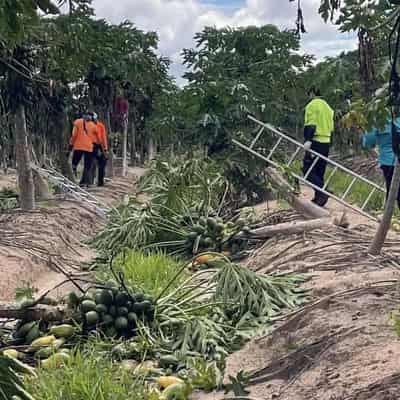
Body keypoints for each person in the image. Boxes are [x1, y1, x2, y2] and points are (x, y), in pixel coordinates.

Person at [302, 86, 334, 207]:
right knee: (319, 171)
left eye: (309, 94)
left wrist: (308, 139)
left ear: (312, 93)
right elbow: (331, 128)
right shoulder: (328, 107)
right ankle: (319, 198)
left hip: (315, 141)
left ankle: (323, 191)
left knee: (307, 171)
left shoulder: (312, 105)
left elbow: (311, 123)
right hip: (326, 142)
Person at [362, 118, 400, 208]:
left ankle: (387, 217)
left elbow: (368, 141)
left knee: (392, 191)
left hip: (389, 162)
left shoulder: (378, 117)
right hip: (391, 160)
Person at [69, 112, 98, 187]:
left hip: (78, 146)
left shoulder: (77, 122)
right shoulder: (93, 126)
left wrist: (71, 144)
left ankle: (72, 179)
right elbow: (97, 138)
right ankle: (84, 183)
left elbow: (74, 134)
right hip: (89, 147)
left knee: (74, 164)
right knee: (87, 166)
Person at [91, 113, 109, 187]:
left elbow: (103, 137)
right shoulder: (87, 126)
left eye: (93, 119)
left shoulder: (101, 126)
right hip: (91, 146)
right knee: (91, 164)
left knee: (102, 165)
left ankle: (100, 182)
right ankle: (90, 181)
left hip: (100, 146)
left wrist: (105, 148)